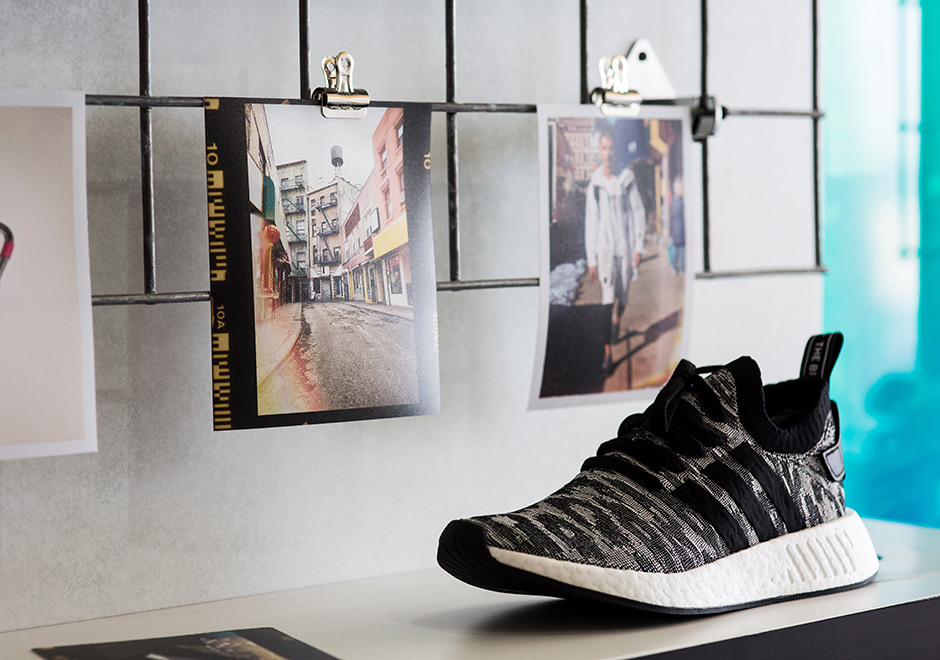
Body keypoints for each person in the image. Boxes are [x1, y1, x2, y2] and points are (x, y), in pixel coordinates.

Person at [584, 125, 646, 377]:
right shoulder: (595, 184)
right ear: (599, 151)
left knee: (623, 299)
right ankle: (607, 355)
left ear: (615, 150)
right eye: (604, 148)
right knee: (606, 301)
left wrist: (638, 247)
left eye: (611, 148)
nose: (608, 153)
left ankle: (617, 319)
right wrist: (592, 259)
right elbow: (591, 222)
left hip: (625, 249)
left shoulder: (626, 178)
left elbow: (638, 211)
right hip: (606, 251)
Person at [669, 176, 686, 274]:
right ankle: (682, 269)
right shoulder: (682, 203)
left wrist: (671, 231)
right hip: (682, 229)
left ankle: (675, 268)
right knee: (682, 250)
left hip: (674, 230)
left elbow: (671, 219)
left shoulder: (672, 204)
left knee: (675, 250)